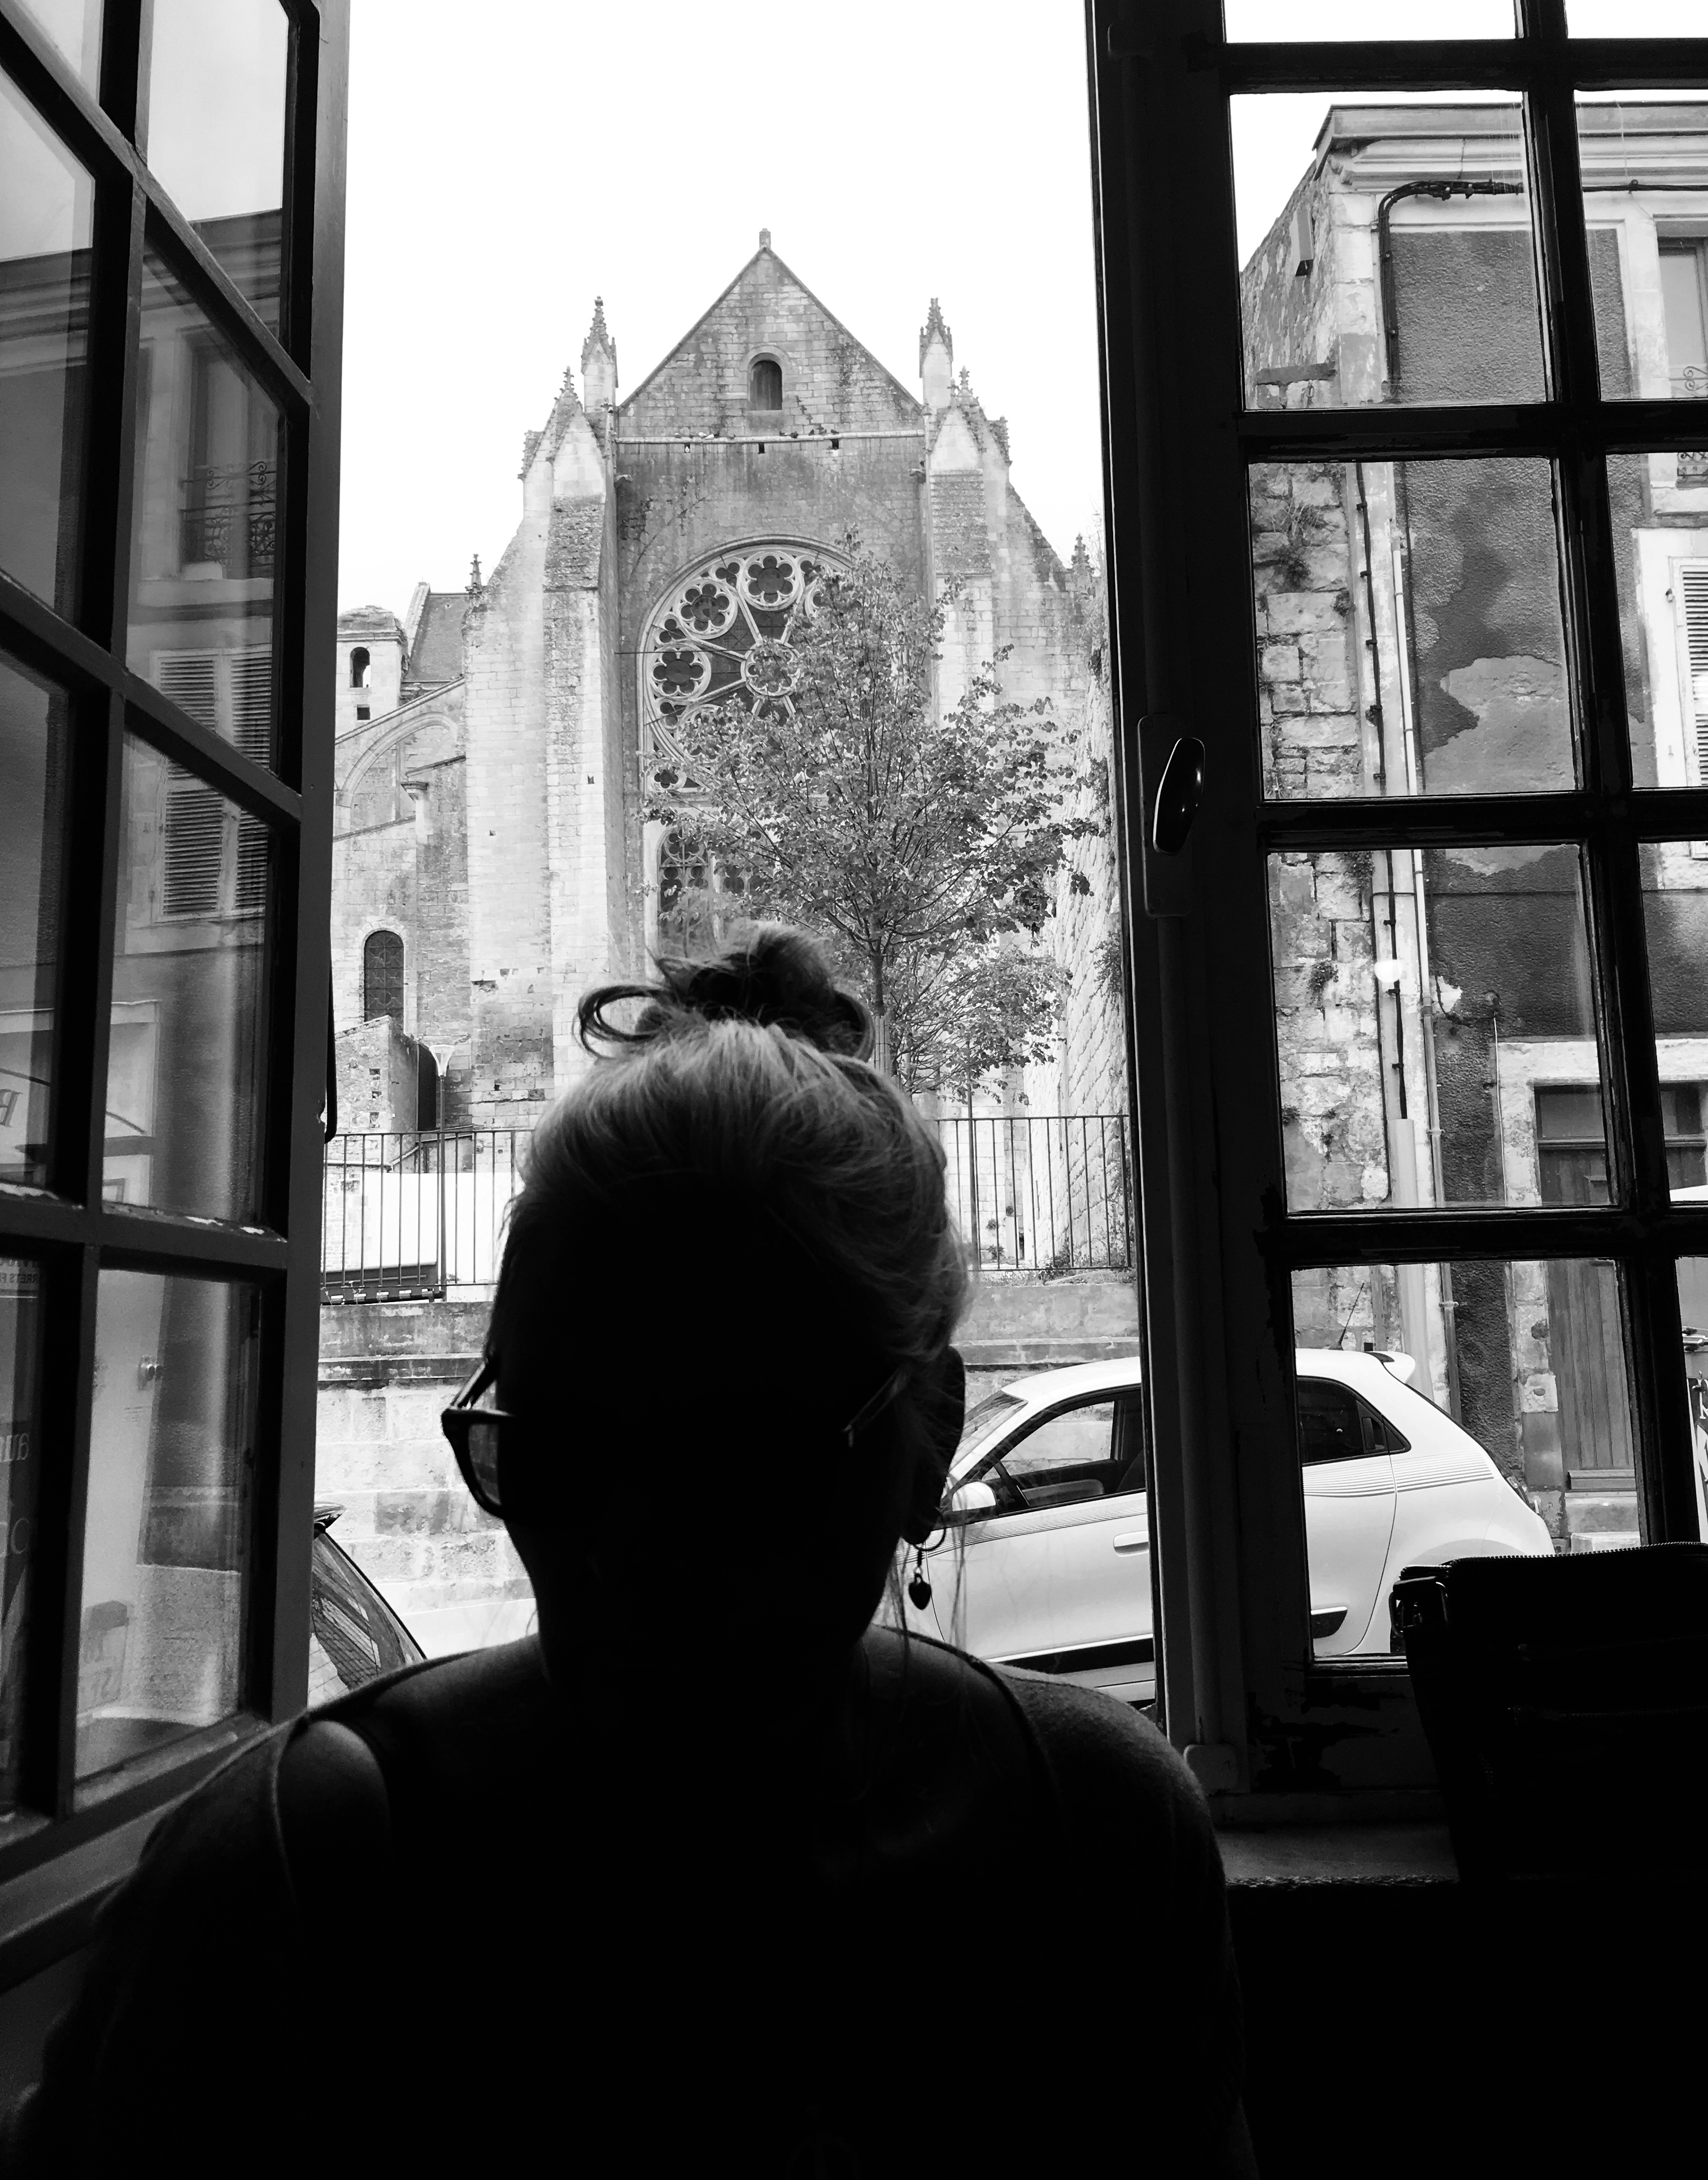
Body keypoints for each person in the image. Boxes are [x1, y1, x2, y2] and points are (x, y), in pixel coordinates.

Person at [3, 929, 1256, 2176]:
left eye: (735, 1464)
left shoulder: (1105, 1834)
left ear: (927, 1437)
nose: (626, 1551)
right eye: (553, 1453)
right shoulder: (289, 1877)